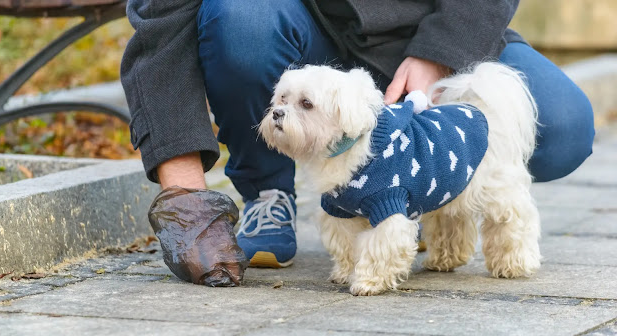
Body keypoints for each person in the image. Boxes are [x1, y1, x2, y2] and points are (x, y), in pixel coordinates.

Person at [120, 0, 594, 269]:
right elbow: (163, 18)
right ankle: (267, 192)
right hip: (299, 25)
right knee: (238, 19)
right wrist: (184, 193)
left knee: (564, 128)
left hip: (439, 19)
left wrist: (441, 51)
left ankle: (425, 197)